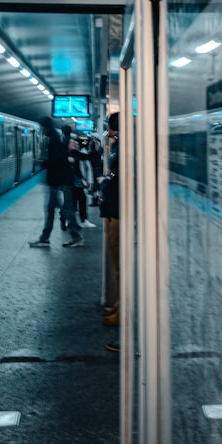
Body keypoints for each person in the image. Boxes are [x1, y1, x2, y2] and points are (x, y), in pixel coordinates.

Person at [30, 117, 84, 248]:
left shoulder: (54, 140)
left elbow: (58, 161)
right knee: (53, 210)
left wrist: (42, 163)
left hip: (60, 181)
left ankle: (76, 236)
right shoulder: (56, 138)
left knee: (64, 210)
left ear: (45, 126)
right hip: (57, 180)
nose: (41, 130)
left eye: (42, 127)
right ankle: (45, 238)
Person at [101, 112, 121, 350]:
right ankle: (118, 304)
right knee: (116, 261)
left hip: (119, 209)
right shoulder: (118, 145)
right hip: (114, 208)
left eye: (109, 126)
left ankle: (123, 311)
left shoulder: (126, 146)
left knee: (121, 263)